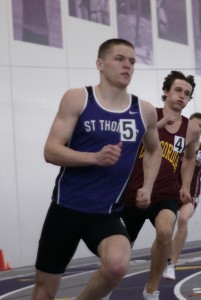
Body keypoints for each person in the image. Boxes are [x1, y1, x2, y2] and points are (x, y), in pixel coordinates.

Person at [30, 38, 162, 300]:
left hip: (106, 213)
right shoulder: (78, 98)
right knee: (44, 290)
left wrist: (147, 186)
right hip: (66, 209)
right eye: (120, 59)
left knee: (117, 265)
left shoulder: (143, 111)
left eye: (132, 61)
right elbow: (51, 150)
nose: (127, 65)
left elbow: (154, 149)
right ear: (100, 64)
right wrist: (94, 158)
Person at [122, 70, 200, 300]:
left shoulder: (192, 128)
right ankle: (106, 286)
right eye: (177, 90)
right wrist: (158, 125)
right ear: (166, 91)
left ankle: (151, 290)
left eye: (187, 93)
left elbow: (188, 157)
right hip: (135, 192)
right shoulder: (148, 115)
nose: (182, 96)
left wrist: (185, 185)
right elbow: (129, 141)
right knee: (120, 253)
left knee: (165, 231)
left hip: (166, 193)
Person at [163, 112, 201, 280]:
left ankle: (172, 264)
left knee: (183, 219)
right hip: (170, 191)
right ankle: (163, 258)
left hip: (191, 193)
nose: (196, 128)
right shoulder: (176, 144)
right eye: (194, 124)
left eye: (200, 126)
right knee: (166, 227)